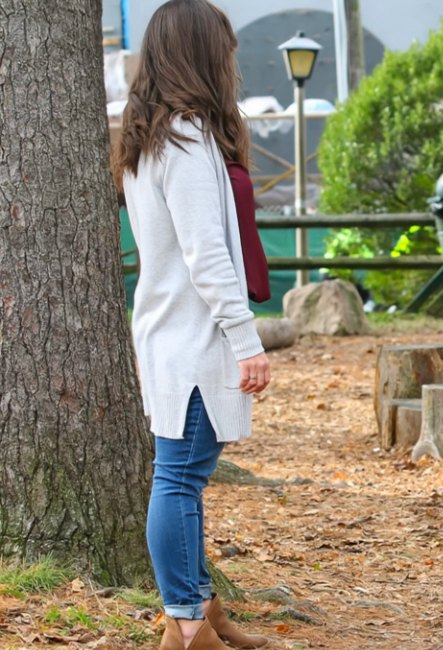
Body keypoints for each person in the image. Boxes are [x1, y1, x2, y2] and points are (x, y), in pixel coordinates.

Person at [112, 1, 271, 648]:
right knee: (178, 475)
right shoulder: (184, 138)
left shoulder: (153, 135)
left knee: (184, 473)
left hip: (168, 328)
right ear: (203, 56)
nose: (230, 61)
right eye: (224, 49)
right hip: (192, 335)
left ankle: (197, 614)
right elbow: (206, 254)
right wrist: (247, 340)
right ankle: (187, 620)